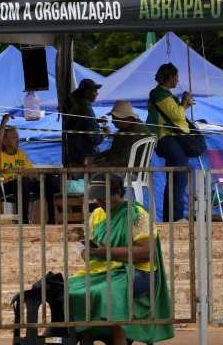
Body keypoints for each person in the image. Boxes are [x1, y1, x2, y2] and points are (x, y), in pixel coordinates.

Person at [68, 173, 173, 345]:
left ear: (118, 193)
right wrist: (88, 253)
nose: (100, 204)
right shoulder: (96, 215)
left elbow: (146, 252)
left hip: (140, 272)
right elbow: (93, 248)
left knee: (109, 293)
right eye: (97, 200)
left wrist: (109, 253)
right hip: (104, 270)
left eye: (104, 199)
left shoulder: (136, 213)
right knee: (73, 291)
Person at [145, 63, 193, 222]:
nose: (178, 80)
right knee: (179, 176)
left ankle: (170, 217)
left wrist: (183, 104)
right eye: (176, 76)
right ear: (169, 77)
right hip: (168, 138)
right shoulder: (161, 94)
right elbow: (178, 115)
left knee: (174, 178)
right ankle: (176, 217)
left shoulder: (160, 94)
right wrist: (185, 100)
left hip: (168, 138)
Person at [0, 114, 40, 224]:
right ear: (5, 141)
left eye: (18, 137)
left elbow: (32, 171)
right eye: (15, 138)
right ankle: (24, 220)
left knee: (50, 181)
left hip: (23, 185)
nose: (18, 140)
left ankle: (52, 219)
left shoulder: (21, 154)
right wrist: (4, 122)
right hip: (5, 186)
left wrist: (33, 175)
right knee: (22, 181)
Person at [88, 100, 154, 168]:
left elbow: (124, 162)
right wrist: (95, 158)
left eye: (115, 119)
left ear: (124, 119)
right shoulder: (125, 130)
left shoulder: (135, 133)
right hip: (126, 169)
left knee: (92, 175)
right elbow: (114, 152)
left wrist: (97, 166)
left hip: (131, 172)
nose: (113, 122)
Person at [62, 79, 108, 169]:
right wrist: (106, 132)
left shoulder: (74, 102)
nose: (97, 94)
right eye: (95, 91)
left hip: (74, 154)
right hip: (87, 157)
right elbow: (95, 138)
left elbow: (80, 122)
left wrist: (96, 120)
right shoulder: (86, 108)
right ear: (87, 93)